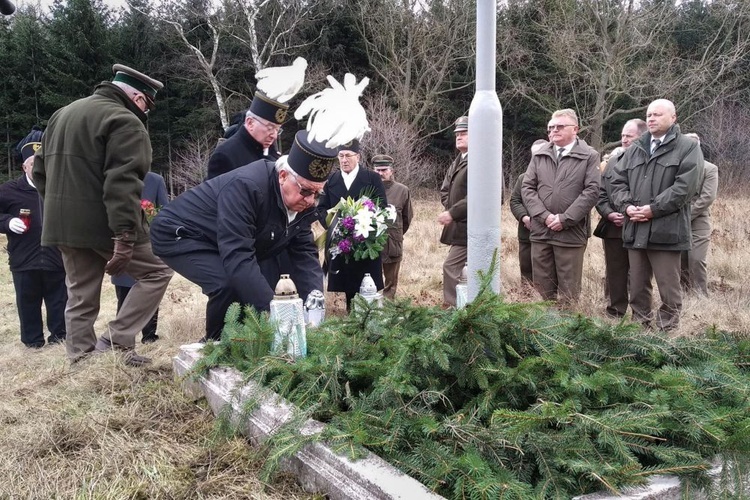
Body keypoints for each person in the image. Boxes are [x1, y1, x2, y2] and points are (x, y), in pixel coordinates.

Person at [32, 64, 174, 366]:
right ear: (138, 98)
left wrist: (60, 209)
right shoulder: (125, 121)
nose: (145, 114)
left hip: (62, 225)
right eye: (146, 106)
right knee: (157, 271)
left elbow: (40, 171)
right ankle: (116, 341)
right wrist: (125, 236)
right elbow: (122, 184)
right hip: (104, 225)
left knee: (80, 294)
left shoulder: (62, 114)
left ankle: (81, 361)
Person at [150, 130, 336, 341]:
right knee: (227, 283)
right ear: (283, 176)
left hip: (221, 236)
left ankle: (248, 343)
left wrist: (314, 303)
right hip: (180, 232)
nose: (311, 200)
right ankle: (215, 346)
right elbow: (238, 255)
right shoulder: (246, 187)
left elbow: (304, 254)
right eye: (305, 191)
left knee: (259, 284)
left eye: (317, 193)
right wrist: (277, 317)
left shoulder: (303, 203)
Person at [610, 99, 703, 331]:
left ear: (673, 118)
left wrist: (653, 209)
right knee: (638, 286)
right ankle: (640, 329)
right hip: (635, 228)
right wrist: (627, 206)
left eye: (657, 114)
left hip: (666, 230)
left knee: (668, 287)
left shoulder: (687, 147)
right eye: (649, 115)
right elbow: (617, 182)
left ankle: (666, 333)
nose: (651, 118)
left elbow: (685, 188)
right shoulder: (636, 148)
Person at [521, 109, 600, 304]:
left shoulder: (589, 155)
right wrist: (544, 216)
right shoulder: (540, 155)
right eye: (551, 127)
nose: (553, 131)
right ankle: (543, 330)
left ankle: (568, 329)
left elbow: (592, 191)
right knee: (542, 292)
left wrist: (564, 219)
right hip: (541, 232)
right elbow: (527, 188)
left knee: (568, 292)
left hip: (570, 235)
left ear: (575, 129)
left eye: (559, 126)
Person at [0, 142, 67, 348]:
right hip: (24, 257)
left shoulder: (59, 189)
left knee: (58, 301)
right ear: (25, 167)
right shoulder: (9, 191)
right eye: (34, 163)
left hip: (57, 256)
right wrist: (7, 222)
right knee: (28, 301)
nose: (39, 167)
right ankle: (32, 341)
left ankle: (59, 338)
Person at [317, 140, 387, 312]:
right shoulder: (331, 180)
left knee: (366, 280)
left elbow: (382, 206)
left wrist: (365, 222)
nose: (344, 160)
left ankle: (370, 313)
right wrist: (335, 224)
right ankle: (351, 314)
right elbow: (321, 208)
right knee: (348, 284)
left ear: (358, 157)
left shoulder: (372, 178)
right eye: (340, 156)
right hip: (342, 242)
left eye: (348, 155)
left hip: (365, 241)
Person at [594, 118, 647, 317]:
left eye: (629, 136)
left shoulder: (649, 160)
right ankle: (615, 311)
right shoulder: (612, 162)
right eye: (622, 136)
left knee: (639, 273)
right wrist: (608, 213)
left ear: (642, 137)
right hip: (613, 227)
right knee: (615, 272)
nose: (624, 140)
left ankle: (641, 315)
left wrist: (630, 212)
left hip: (639, 225)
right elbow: (600, 193)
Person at [111, 171, 170, 343]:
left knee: (151, 288)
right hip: (123, 242)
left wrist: (151, 216)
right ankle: (122, 337)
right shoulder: (116, 175)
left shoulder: (155, 180)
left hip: (147, 243)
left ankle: (149, 335)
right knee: (124, 292)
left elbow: (163, 211)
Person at [206, 93, 287, 180]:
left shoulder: (271, 151)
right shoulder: (225, 156)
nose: (274, 136)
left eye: (277, 130)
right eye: (269, 128)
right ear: (250, 123)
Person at [681, 132, 718, 296]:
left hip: (699, 221)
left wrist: (687, 215)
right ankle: (683, 293)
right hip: (677, 220)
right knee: (680, 260)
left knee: (696, 259)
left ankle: (700, 295)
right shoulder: (677, 168)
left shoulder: (709, 168)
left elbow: (707, 197)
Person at [438, 116, 469, 307]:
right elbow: (445, 191)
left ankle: (452, 308)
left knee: (451, 267)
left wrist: (453, 212)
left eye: (464, 133)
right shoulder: (459, 160)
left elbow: (481, 196)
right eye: (457, 133)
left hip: (472, 228)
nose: (459, 136)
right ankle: (463, 308)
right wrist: (451, 209)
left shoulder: (481, 159)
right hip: (459, 228)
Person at [373, 154, 413, 299]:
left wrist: (396, 233)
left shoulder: (402, 190)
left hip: (392, 243)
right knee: (369, 279)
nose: (381, 173)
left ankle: (388, 309)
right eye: (377, 170)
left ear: (391, 171)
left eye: (384, 170)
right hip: (371, 243)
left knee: (390, 283)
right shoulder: (367, 189)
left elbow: (407, 218)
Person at [510, 139, 547, 284]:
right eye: (534, 156)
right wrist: (524, 217)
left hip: (548, 233)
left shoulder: (556, 178)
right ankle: (526, 298)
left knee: (545, 271)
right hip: (527, 234)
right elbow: (515, 201)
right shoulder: (523, 178)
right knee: (526, 269)